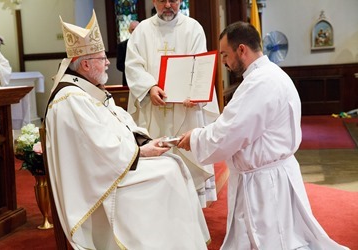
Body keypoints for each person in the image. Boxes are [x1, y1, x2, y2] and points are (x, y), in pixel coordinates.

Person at [44, 10, 210, 250]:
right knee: (168, 173)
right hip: (101, 182)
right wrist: (142, 152)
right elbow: (99, 148)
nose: (108, 63)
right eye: (102, 58)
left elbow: (120, 123)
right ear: (87, 63)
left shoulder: (88, 89)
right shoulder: (70, 99)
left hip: (116, 164)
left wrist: (146, 141)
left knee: (174, 164)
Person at [178, 21, 348, 250]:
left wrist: (196, 138)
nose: (225, 63)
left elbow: (229, 132)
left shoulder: (260, 82)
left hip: (265, 183)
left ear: (241, 50)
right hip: (273, 173)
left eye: (225, 55)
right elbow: (238, 124)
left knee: (275, 239)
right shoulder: (271, 75)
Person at [125, 0, 220, 207]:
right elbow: (133, 66)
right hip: (154, 108)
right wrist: (149, 87)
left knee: (187, 161)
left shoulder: (193, 28)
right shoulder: (141, 31)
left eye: (174, 0)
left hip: (186, 110)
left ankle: (191, 214)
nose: (168, 5)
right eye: (162, 0)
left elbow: (200, 65)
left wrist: (194, 92)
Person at [116, 20, 139, 86]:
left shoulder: (146, 44)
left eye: (137, 29)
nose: (135, 31)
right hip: (128, 80)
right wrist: (133, 69)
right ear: (129, 31)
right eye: (133, 29)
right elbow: (119, 65)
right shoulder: (122, 46)